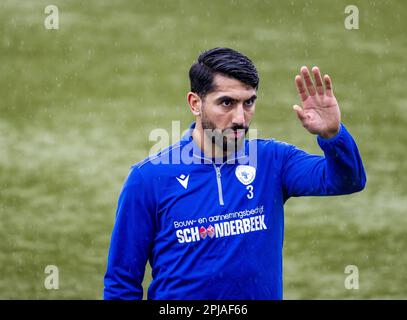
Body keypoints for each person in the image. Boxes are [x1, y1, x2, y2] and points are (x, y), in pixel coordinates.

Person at [103, 47, 366, 300]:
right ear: (195, 103)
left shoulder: (274, 161)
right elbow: (122, 282)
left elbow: (347, 181)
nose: (240, 118)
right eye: (226, 103)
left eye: (248, 102)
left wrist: (333, 135)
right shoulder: (148, 179)